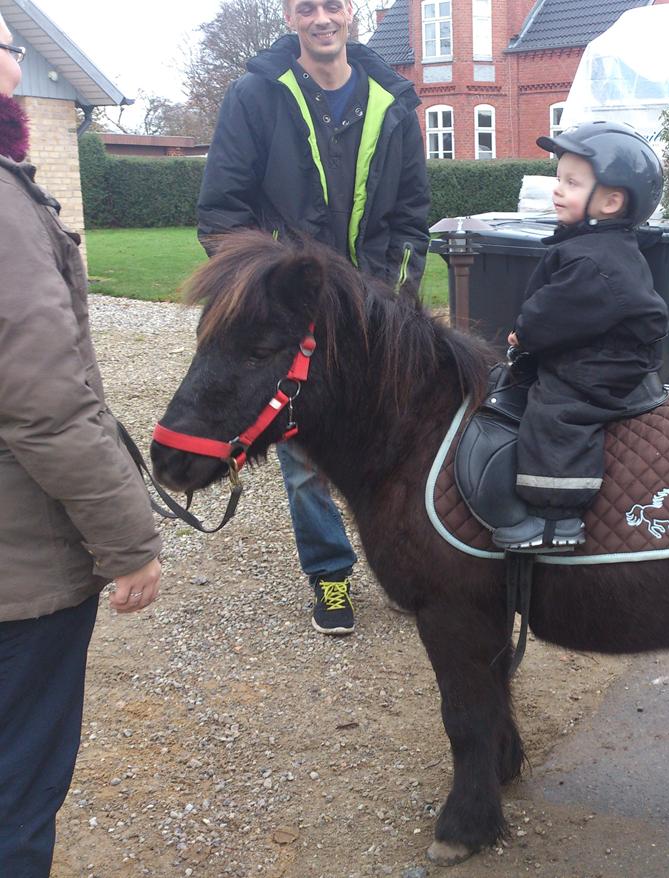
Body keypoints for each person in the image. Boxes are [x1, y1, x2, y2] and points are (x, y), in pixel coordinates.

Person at [197, 0, 430, 634]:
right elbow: (222, 212)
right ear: (289, 16)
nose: (321, 18)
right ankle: (330, 573)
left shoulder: (394, 100)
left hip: (373, 310)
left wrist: (392, 299)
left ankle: (402, 562)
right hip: (292, 308)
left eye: (332, 5)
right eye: (307, 8)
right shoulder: (256, 95)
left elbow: (412, 213)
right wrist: (267, 290)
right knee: (304, 458)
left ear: (352, 12)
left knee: (392, 440)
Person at [0, 16, 163, 875]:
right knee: (16, 791)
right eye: (6, 44)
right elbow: (45, 406)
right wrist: (128, 543)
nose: (16, 57)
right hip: (18, 574)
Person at [492, 121, 669, 552]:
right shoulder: (592, 244)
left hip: (608, 362)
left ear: (611, 201)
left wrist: (524, 334)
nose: (557, 190)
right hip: (602, 345)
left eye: (572, 183)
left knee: (557, 410)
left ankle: (556, 518)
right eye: (559, 178)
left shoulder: (595, 262)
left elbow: (556, 312)